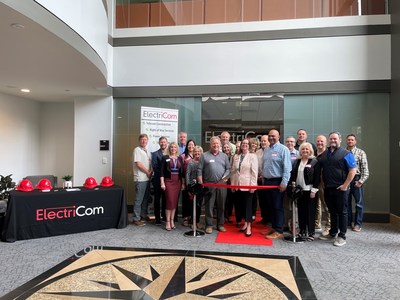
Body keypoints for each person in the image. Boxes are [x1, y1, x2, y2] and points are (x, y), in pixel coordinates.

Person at [318, 132, 356, 247]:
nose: (332, 141)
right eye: (331, 139)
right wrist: (323, 183)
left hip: (341, 188)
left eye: (335, 138)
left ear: (340, 139)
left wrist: (345, 185)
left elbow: (352, 170)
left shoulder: (346, 153)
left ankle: (342, 236)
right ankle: (333, 233)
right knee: (332, 211)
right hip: (328, 188)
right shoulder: (325, 154)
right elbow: (321, 170)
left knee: (342, 212)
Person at [262, 129, 292, 240]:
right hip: (267, 182)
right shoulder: (266, 149)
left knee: (277, 206)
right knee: (270, 207)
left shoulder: (283, 149)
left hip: (277, 182)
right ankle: (274, 228)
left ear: (279, 137)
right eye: (269, 136)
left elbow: (287, 168)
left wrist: (284, 182)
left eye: (273, 136)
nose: (271, 138)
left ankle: (279, 230)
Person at [197, 136, 231, 234]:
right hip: (209, 185)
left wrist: (224, 178)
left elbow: (228, 169)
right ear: (210, 145)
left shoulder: (224, 156)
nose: (215, 145)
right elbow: (199, 169)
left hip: (222, 185)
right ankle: (209, 225)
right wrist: (200, 182)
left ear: (220, 145)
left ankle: (220, 224)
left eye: (217, 143)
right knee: (209, 206)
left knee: (221, 205)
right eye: (213, 143)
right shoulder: (204, 155)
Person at [289, 142, 321, 241]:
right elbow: (293, 175)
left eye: (307, 149)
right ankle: (302, 230)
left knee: (310, 212)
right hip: (300, 191)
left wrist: (314, 190)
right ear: (300, 151)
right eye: (303, 149)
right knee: (301, 212)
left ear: (310, 151)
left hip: (310, 191)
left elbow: (317, 178)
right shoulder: (297, 162)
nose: (305, 151)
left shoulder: (314, 162)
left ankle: (311, 233)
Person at [230, 139, 258, 237]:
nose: (245, 145)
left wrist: (253, 186)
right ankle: (245, 223)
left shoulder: (253, 156)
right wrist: (233, 185)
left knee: (248, 206)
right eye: (243, 144)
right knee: (241, 206)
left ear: (249, 145)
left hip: (248, 184)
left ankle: (249, 226)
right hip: (238, 185)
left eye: (247, 144)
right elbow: (233, 171)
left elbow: (254, 172)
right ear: (241, 145)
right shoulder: (236, 156)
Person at [346, 134, 369, 232]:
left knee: (359, 204)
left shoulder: (360, 153)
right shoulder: (343, 152)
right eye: (348, 140)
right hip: (346, 179)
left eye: (352, 140)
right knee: (346, 203)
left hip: (356, 179)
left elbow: (366, 170)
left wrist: (360, 182)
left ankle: (357, 224)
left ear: (355, 141)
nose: (350, 141)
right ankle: (347, 222)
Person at [160, 142, 185, 231]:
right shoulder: (165, 158)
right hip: (168, 181)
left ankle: (172, 221)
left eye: (175, 147)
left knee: (174, 202)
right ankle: (167, 221)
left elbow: (182, 172)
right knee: (169, 201)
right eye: (171, 147)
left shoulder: (180, 158)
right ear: (169, 148)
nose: (173, 149)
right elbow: (162, 172)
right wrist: (162, 183)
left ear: (177, 149)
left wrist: (183, 183)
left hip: (177, 182)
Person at [132, 134, 153, 226]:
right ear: (139, 140)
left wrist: (151, 172)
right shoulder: (137, 150)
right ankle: (136, 218)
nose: (144, 141)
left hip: (147, 179)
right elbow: (138, 164)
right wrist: (148, 172)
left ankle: (143, 216)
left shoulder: (147, 151)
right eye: (142, 139)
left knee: (145, 199)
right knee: (139, 199)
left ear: (147, 141)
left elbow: (150, 163)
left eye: (145, 139)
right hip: (140, 178)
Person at [314, 134, 331, 236]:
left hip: (325, 183)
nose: (320, 143)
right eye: (318, 141)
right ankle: (317, 224)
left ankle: (328, 226)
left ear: (326, 143)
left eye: (322, 141)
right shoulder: (314, 153)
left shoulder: (329, 154)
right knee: (316, 204)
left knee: (326, 205)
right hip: (315, 183)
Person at [151, 136, 168, 225]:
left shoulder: (169, 154)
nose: (163, 143)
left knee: (165, 199)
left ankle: (165, 217)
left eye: (164, 142)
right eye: (161, 142)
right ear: (159, 143)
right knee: (157, 200)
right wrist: (163, 176)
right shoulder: (155, 154)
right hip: (158, 180)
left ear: (167, 143)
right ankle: (157, 219)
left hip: (168, 181)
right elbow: (155, 167)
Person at [284, 136, 300, 231]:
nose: (290, 143)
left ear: (294, 143)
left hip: (295, 182)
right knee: (286, 204)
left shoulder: (298, 154)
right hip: (285, 181)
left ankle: (294, 225)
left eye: (292, 142)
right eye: (288, 141)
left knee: (295, 205)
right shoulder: (283, 153)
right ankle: (286, 224)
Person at [186, 145, 204, 227]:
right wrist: (188, 186)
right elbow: (187, 174)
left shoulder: (203, 162)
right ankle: (193, 222)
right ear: (193, 153)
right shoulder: (190, 162)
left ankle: (198, 221)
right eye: (195, 152)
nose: (197, 153)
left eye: (199, 152)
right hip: (192, 186)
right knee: (192, 205)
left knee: (199, 205)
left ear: (201, 153)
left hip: (201, 186)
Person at [181, 139, 196, 226]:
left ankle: (191, 217)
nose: (191, 147)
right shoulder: (183, 156)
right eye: (189, 145)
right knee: (186, 200)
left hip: (194, 182)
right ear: (187, 146)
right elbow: (181, 171)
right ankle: (185, 217)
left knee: (192, 201)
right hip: (186, 181)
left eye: (192, 145)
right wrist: (183, 183)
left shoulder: (197, 155)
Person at [256, 135, 270, 224]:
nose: (263, 142)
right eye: (262, 141)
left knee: (269, 200)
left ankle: (270, 219)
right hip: (259, 180)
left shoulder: (271, 151)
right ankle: (264, 218)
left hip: (269, 180)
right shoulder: (257, 152)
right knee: (262, 200)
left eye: (265, 141)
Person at [222, 142, 234, 223]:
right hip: (223, 180)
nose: (226, 149)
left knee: (230, 199)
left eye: (228, 147)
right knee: (224, 199)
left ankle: (228, 215)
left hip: (231, 180)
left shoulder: (233, 157)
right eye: (225, 147)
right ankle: (223, 216)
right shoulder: (221, 157)